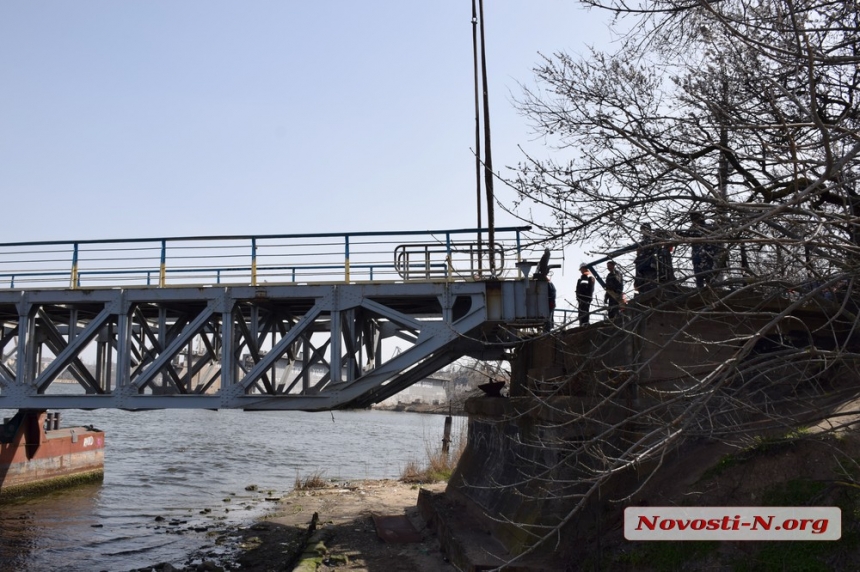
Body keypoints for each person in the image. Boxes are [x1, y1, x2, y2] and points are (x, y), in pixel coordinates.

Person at [688, 212, 724, 288]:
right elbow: (688, 236)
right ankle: (701, 290)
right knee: (699, 276)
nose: (694, 221)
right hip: (698, 255)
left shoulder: (707, 228)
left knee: (708, 275)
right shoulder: (692, 229)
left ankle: (709, 289)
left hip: (707, 255)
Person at [634, 223, 659, 294]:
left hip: (649, 264)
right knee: (642, 283)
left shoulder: (653, 239)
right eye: (642, 230)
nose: (643, 231)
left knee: (650, 282)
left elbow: (656, 249)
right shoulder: (642, 242)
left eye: (645, 229)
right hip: (642, 266)